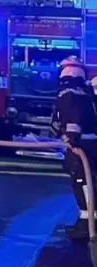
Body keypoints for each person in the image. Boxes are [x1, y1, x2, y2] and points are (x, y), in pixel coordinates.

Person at [51, 59, 97, 241]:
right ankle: (85, 221)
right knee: (87, 182)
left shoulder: (69, 93)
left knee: (82, 183)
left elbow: (72, 118)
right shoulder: (84, 92)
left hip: (82, 146)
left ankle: (88, 226)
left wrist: (71, 138)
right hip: (89, 144)